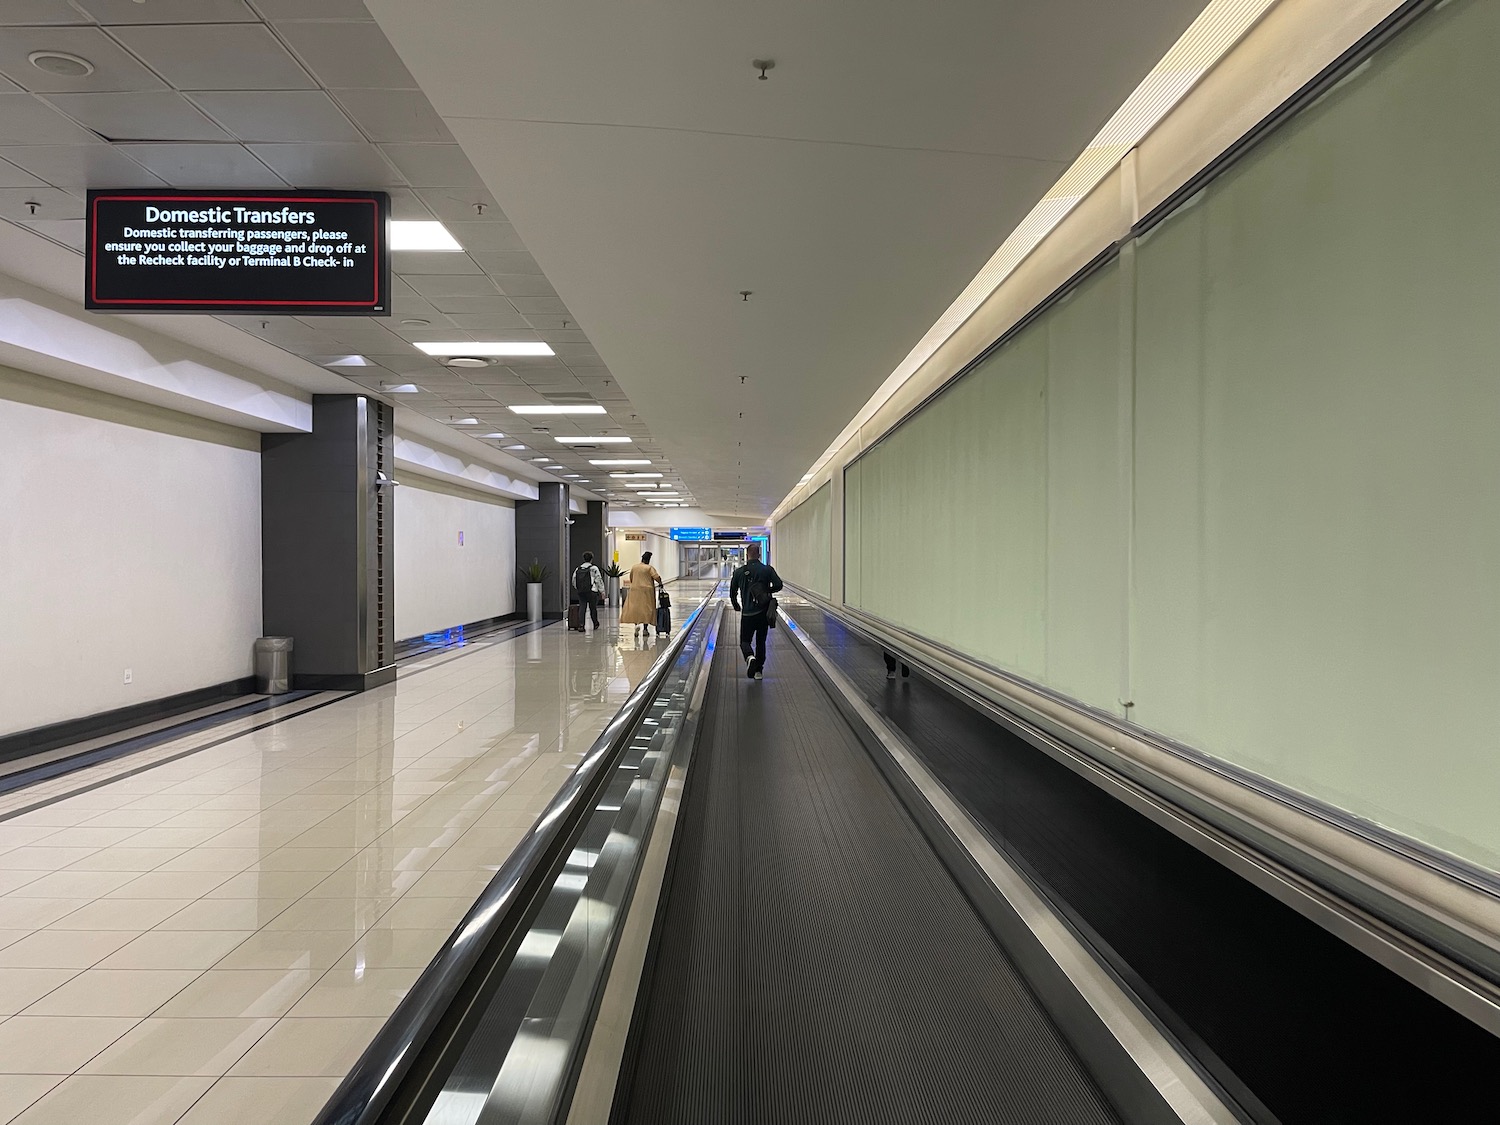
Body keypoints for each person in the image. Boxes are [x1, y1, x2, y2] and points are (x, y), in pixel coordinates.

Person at [729, 542, 783, 679]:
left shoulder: (739, 572)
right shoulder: (767, 570)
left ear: (747, 555)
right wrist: (767, 591)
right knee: (761, 641)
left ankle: (749, 657)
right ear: (759, 554)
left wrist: (736, 604)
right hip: (763, 613)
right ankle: (758, 671)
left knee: (745, 641)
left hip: (747, 614)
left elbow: (732, 591)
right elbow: (779, 585)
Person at [620, 550, 663, 641]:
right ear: (648, 560)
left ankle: (636, 625)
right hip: (647, 591)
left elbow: (631, 578)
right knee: (646, 609)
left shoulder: (634, 567)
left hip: (635, 590)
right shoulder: (649, 568)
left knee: (635, 608)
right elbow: (656, 577)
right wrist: (660, 582)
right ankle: (645, 629)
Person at [572, 551, 604, 631]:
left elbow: (574, 580)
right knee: (593, 608)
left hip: (581, 592)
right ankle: (595, 624)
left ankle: (581, 625)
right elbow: (598, 580)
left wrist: (578, 588)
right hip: (592, 591)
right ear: (591, 559)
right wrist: (602, 591)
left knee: (582, 607)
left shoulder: (578, 569)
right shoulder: (594, 568)